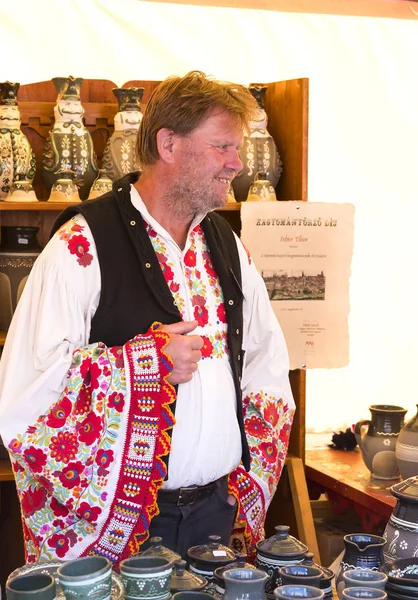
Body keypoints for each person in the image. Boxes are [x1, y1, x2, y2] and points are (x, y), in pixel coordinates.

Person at [0, 71, 295, 565]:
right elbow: (25, 394)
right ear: (169, 144)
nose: (237, 163)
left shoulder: (226, 244)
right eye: (222, 146)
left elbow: (267, 362)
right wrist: (143, 366)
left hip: (217, 515)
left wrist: (246, 476)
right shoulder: (82, 243)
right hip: (128, 530)